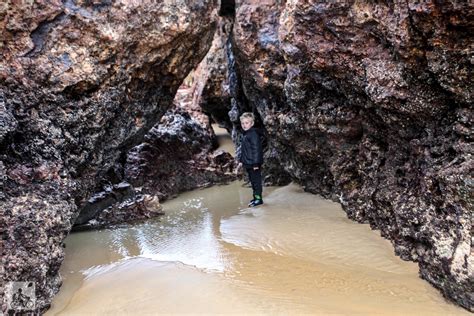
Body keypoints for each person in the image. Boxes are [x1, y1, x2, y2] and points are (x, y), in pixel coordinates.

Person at [238, 112, 264, 207]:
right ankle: (255, 197)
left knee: (256, 182)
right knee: (252, 181)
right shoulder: (246, 134)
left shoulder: (253, 134)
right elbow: (244, 150)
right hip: (248, 163)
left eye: (247, 123)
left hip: (254, 164)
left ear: (252, 123)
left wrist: (256, 164)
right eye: (243, 123)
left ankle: (258, 199)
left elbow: (256, 149)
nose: (244, 125)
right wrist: (241, 161)